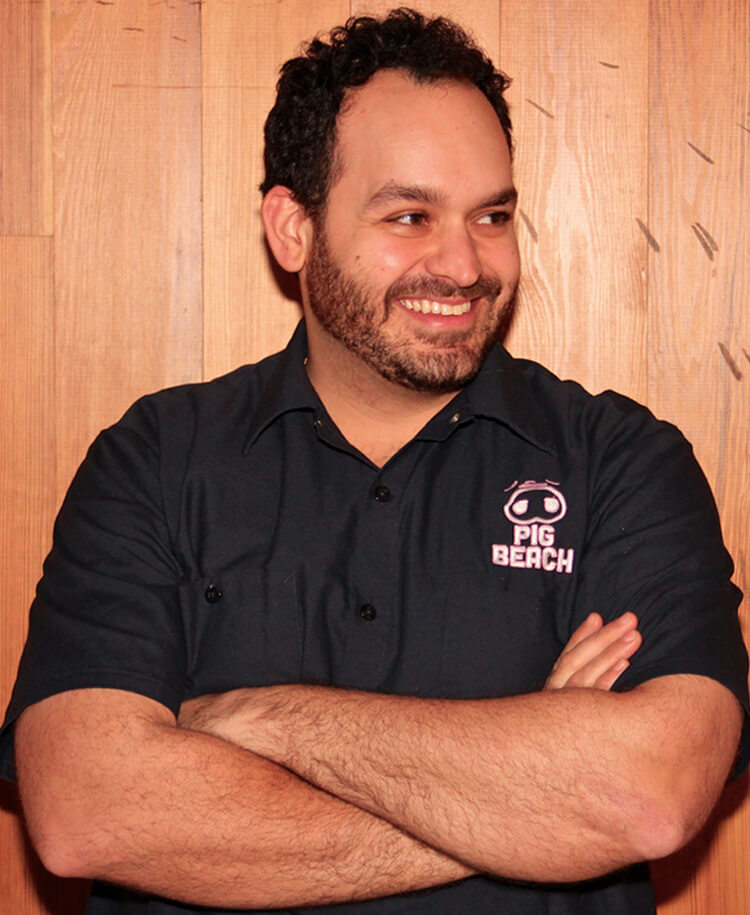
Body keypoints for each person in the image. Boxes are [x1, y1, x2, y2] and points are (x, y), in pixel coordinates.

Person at [1, 8, 747, 915]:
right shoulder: (153, 463)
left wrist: (257, 719)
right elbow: (89, 812)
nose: (465, 263)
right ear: (293, 228)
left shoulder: (623, 464)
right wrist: (526, 800)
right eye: (409, 215)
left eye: (492, 215)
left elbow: (647, 795)